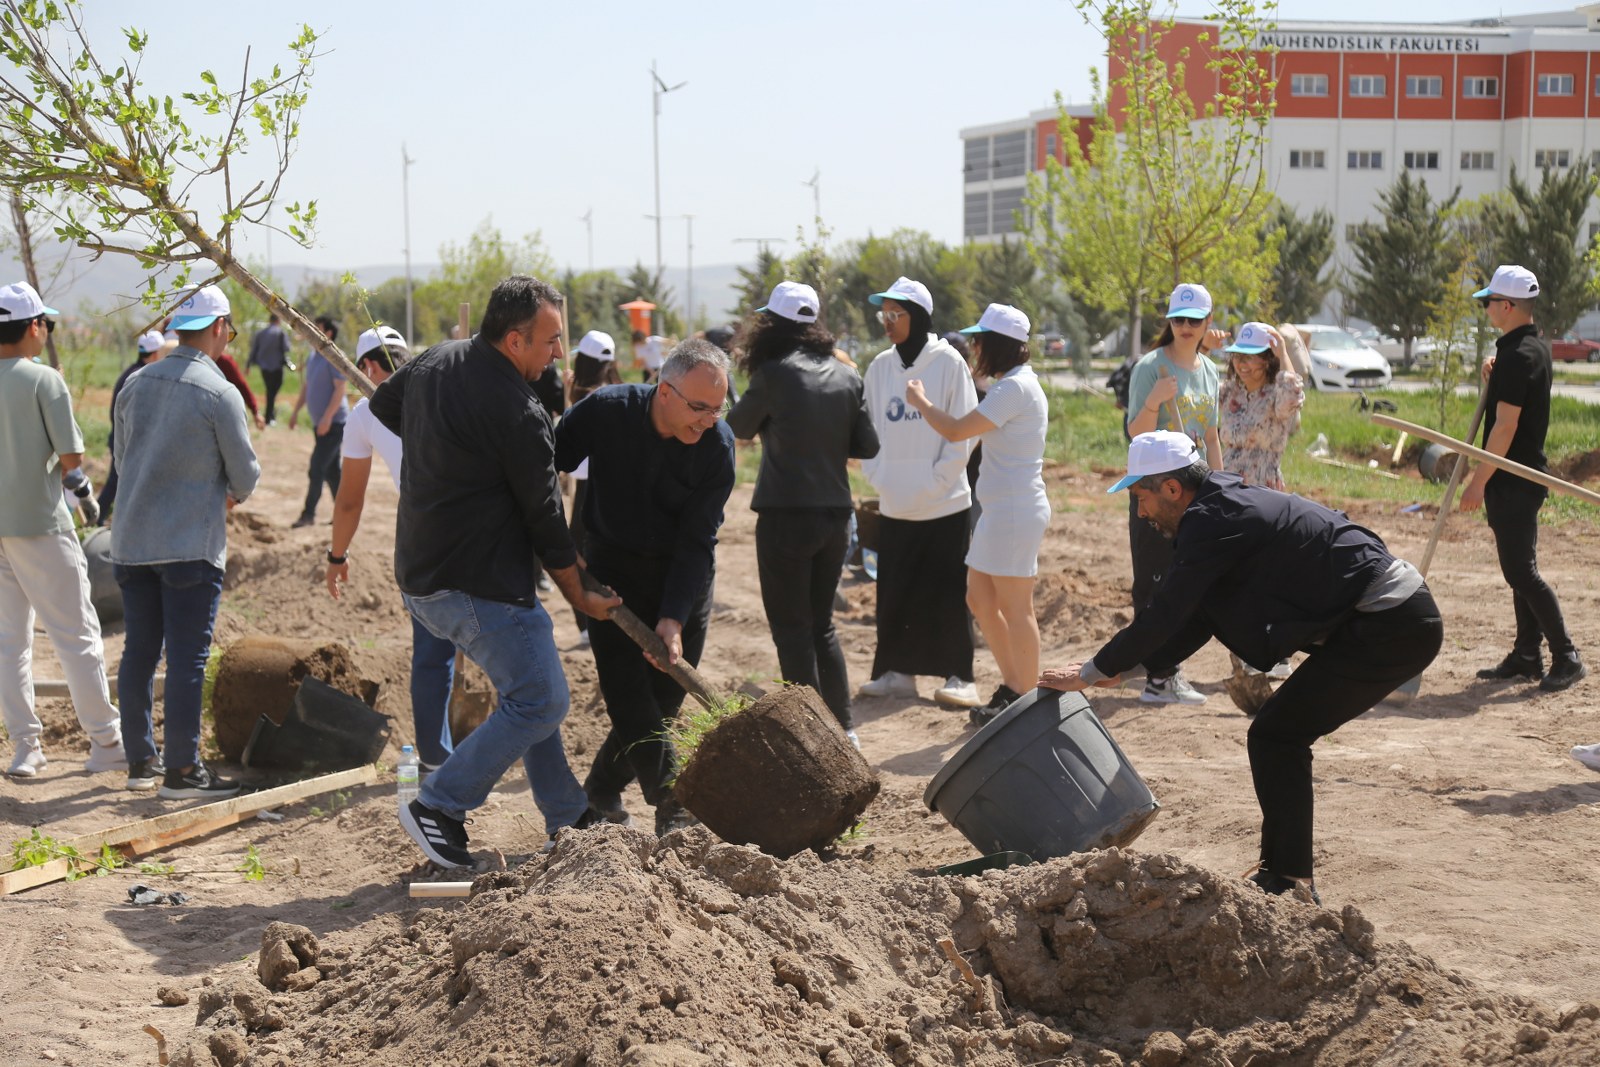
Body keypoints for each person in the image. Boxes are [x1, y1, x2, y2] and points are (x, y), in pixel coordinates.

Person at [1040, 431, 1443, 902]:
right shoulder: (1218, 509)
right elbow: (1198, 618)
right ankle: (1282, 876)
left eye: (1140, 497)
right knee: (1276, 734)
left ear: (1172, 489)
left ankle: (1289, 881)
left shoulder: (1212, 521)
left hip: (1391, 621)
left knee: (1278, 734)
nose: (1141, 513)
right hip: (1384, 618)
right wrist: (1127, 668)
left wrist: (1091, 670)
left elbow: (1166, 612)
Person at [370, 275, 619, 869]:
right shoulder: (520, 413)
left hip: (422, 571)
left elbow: (383, 403)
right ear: (514, 340)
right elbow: (544, 519)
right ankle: (440, 804)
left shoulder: (433, 361)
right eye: (551, 341)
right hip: (478, 584)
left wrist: (447, 455)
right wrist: (579, 593)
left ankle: (568, 815)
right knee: (540, 698)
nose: (560, 353)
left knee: (526, 685)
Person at [554, 339, 736, 834]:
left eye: (717, 410)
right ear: (664, 390)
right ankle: (673, 803)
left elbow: (699, 540)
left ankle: (602, 788)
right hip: (612, 572)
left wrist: (674, 617)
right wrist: (558, 545)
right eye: (699, 408)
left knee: (663, 700)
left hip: (684, 576)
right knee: (628, 694)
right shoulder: (607, 412)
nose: (707, 420)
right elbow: (543, 461)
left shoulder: (718, 447)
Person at [112, 284, 260, 797]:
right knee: (186, 659)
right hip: (189, 547)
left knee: (139, 653)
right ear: (219, 327)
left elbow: (121, 458)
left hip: (131, 540)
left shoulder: (134, 384)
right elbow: (245, 475)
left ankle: (139, 764)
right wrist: (230, 492)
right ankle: (181, 770)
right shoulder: (220, 393)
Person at [727, 282, 879, 747]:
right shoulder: (847, 375)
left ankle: (809, 734)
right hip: (835, 515)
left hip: (785, 516)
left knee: (791, 629)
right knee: (822, 625)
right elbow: (867, 444)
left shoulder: (773, 374)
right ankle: (845, 728)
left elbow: (738, 429)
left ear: (772, 325)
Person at [0, 281, 126, 778]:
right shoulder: (44, 381)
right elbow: (72, 460)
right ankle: (106, 743)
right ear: (33, 327)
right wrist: (84, 494)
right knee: (77, 635)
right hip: (41, 526)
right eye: (45, 325)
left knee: (9, 643)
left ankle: (26, 749)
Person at [907, 303, 1050, 726]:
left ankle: (1027, 699)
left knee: (1016, 606)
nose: (973, 346)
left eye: (978, 340)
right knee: (980, 598)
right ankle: (1015, 688)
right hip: (1002, 510)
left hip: (1013, 511)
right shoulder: (1014, 384)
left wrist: (920, 400)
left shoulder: (1014, 389)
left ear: (996, 344)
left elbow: (955, 431)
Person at [325, 326, 456, 772]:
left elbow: (349, 500)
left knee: (433, 653)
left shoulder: (364, 414)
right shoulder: (446, 385)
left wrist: (337, 555)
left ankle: (438, 761)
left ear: (367, 367)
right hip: (482, 525)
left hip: (424, 535)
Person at [1460, 265, 1585, 693]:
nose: (1486, 308)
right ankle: (1527, 654)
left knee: (1522, 571)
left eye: (1489, 302)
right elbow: (1515, 395)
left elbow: (1505, 428)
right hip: (1520, 477)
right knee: (1518, 571)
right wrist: (1495, 378)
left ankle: (1566, 655)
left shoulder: (1517, 356)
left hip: (1514, 478)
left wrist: (1478, 481)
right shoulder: (1532, 347)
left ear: (1508, 306)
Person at [857, 277, 980, 708]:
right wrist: (880, 477)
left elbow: (965, 431)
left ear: (920, 317)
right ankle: (896, 673)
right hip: (894, 503)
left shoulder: (948, 363)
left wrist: (936, 482)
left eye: (896, 315)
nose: (887, 323)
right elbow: (867, 431)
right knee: (893, 590)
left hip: (944, 502)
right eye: (883, 315)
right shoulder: (879, 367)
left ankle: (960, 676)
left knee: (948, 591)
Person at [1122, 282, 1226, 706]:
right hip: (1156, 491)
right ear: (1169, 321)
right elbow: (1135, 433)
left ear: (1207, 323)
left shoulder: (1209, 370)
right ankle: (1159, 677)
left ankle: (1159, 667)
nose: (1185, 326)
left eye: (1193, 320)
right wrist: (1154, 402)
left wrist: (1221, 488)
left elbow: (1213, 436)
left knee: (1186, 581)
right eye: (1178, 319)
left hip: (1193, 490)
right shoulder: (1151, 367)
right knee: (1155, 579)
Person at [565, 329, 624, 646]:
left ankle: (589, 625)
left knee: (578, 552)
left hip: (590, 486)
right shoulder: (620, 392)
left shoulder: (586, 398)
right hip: (617, 486)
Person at [1218, 322, 1304, 491]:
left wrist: (1283, 354)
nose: (1241, 364)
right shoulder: (1230, 391)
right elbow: (1199, 393)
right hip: (1228, 483)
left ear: (1267, 360)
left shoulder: (1276, 394)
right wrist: (1204, 347)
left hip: (1263, 488)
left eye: (1249, 357)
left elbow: (1291, 397)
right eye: (1237, 355)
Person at [96, 329, 166, 523]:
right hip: (129, 441)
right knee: (120, 483)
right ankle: (99, 518)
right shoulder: (141, 378)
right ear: (155, 353)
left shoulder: (130, 373)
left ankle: (99, 518)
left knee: (117, 482)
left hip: (121, 437)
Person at [288, 315, 347, 528]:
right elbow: (307, 387)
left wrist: (328, 418)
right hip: (321, 424)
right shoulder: (315, 357)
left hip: (334, 424)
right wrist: (295, 412)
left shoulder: (333, 357)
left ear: (328, 333)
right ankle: (343, 511)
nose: (310, 331)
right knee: (331, 471)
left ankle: (308, 514)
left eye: (316, 327)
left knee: (316, 468)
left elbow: (341, 389)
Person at [246, 312, 293, 425]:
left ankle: (270, 415)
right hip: (277, 367)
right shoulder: (281, 333)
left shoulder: (260, 334)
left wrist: (248, 365)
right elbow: (287, 348)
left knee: (270, 391)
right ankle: (269, 417)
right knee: (272, 392)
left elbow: (253, 350)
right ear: (278, 321)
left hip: (264, 367)